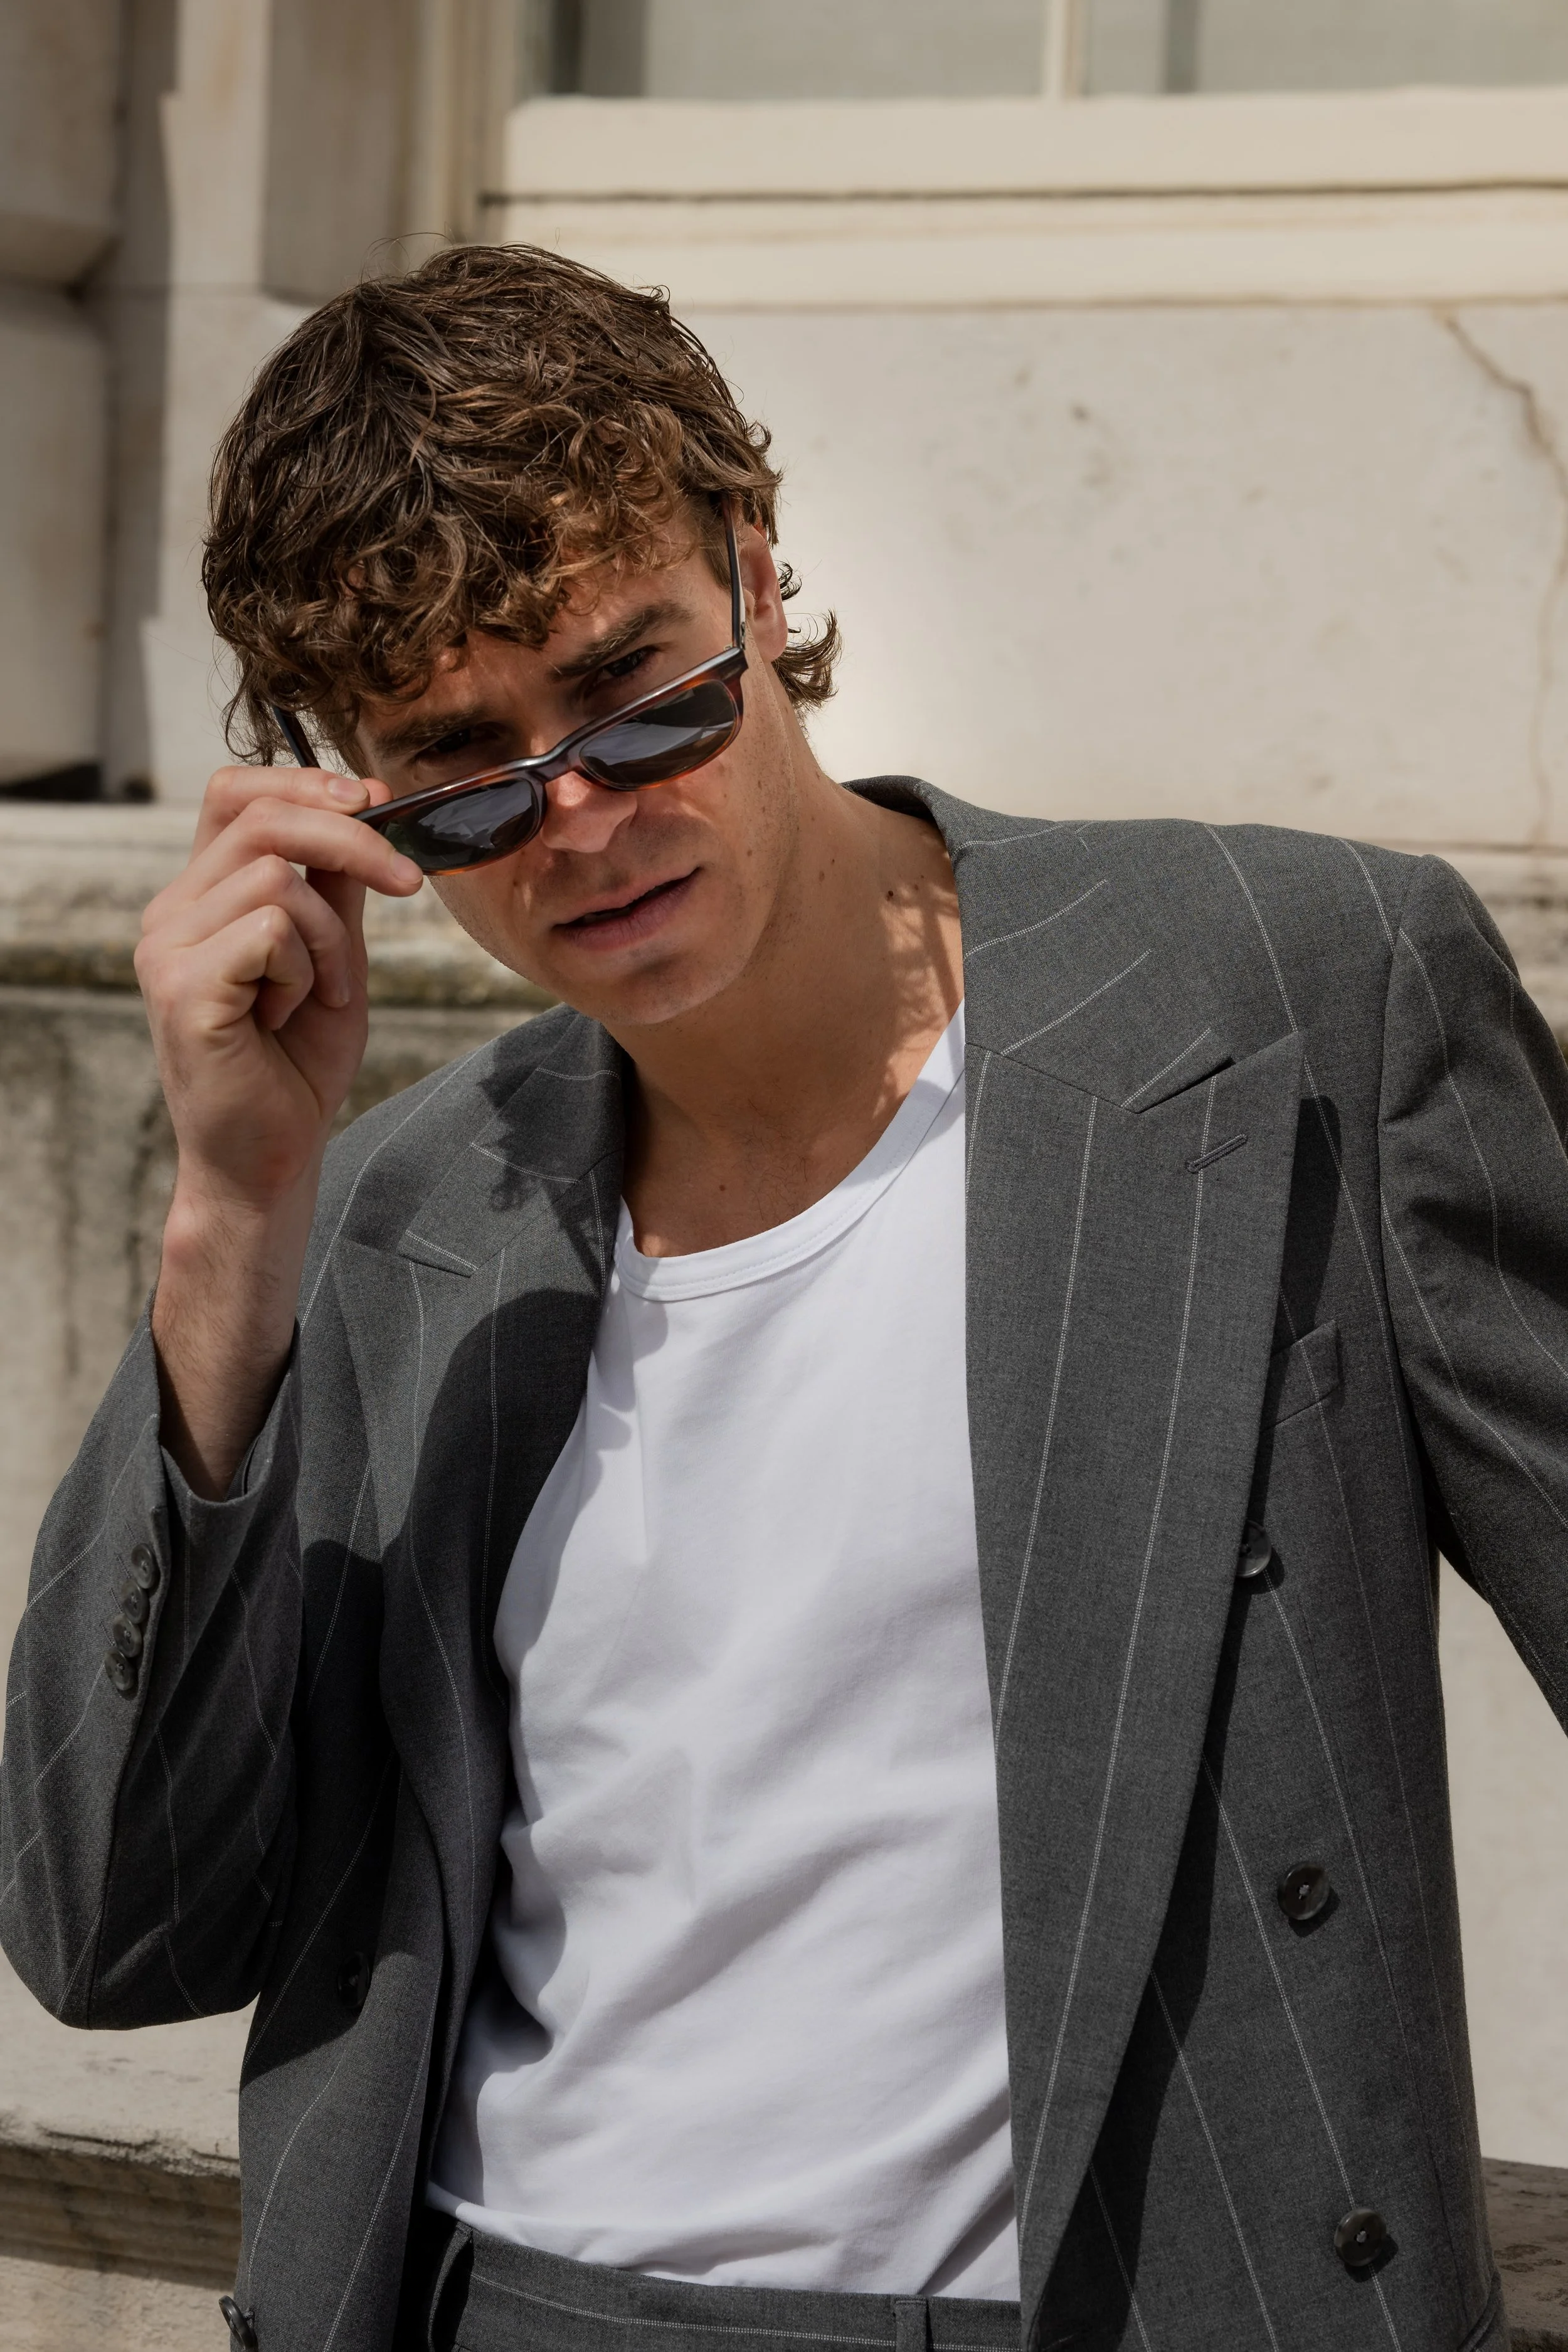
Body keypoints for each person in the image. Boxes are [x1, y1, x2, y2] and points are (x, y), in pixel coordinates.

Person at [2, 244, 1563, 2352]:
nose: (578, 817)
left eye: (640, 692)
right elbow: (114, 1928)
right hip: (518, 2302)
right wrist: (225, 1221)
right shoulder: (396, 1215)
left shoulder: (1292, 994)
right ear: (341, 797)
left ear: (752, 566)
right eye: (460, 765)